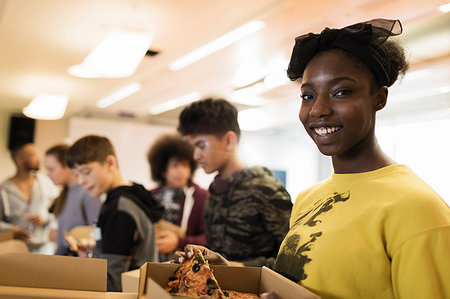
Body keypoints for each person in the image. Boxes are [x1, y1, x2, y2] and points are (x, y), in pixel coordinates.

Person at [177, 19, 450, 299]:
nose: (318, 109)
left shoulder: (418, 209)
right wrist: (224, 271)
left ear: (378, 98)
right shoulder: (309, 198)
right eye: (308, 95)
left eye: (341, 92)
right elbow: (292, 287)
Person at [177, 98, 293, 267]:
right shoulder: (215, 192)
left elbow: (292, 259)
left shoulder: (266, 190)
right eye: (192, 147)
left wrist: (241, 268)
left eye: (201, 145)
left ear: (229, 141)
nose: (195, 155)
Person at [66, 135, 163, 291]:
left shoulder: (120, 208)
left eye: (86, 172)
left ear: (110, 163)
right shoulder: (129, 197)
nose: (81, 181)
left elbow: (114, 280)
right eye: (77, 175)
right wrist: (95, 255)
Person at [147, 133, 208, 262]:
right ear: (163, 169)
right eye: (175, 166)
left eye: (185, 165)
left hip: (185, 268)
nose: (181, 171)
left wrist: (179, 242)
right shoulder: (150, 196)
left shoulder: (201, 197)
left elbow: (208, 238)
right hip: (151, 263)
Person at [0, 142, 58, 254]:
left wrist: (44, 218)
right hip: (16, 250)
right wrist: (11, 230)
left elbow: (58, 213)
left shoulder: (47, 183)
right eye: (33, 155)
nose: (38, 159)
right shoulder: (4, 190)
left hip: (45, 249)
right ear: (19, 160)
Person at [44, 144, 101, 256]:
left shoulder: (87, 193)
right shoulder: (64, 194)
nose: (47, 175)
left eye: (51, 169)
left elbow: (97, 235)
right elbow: (61, 243)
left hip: (79, 262)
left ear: (67, 166)